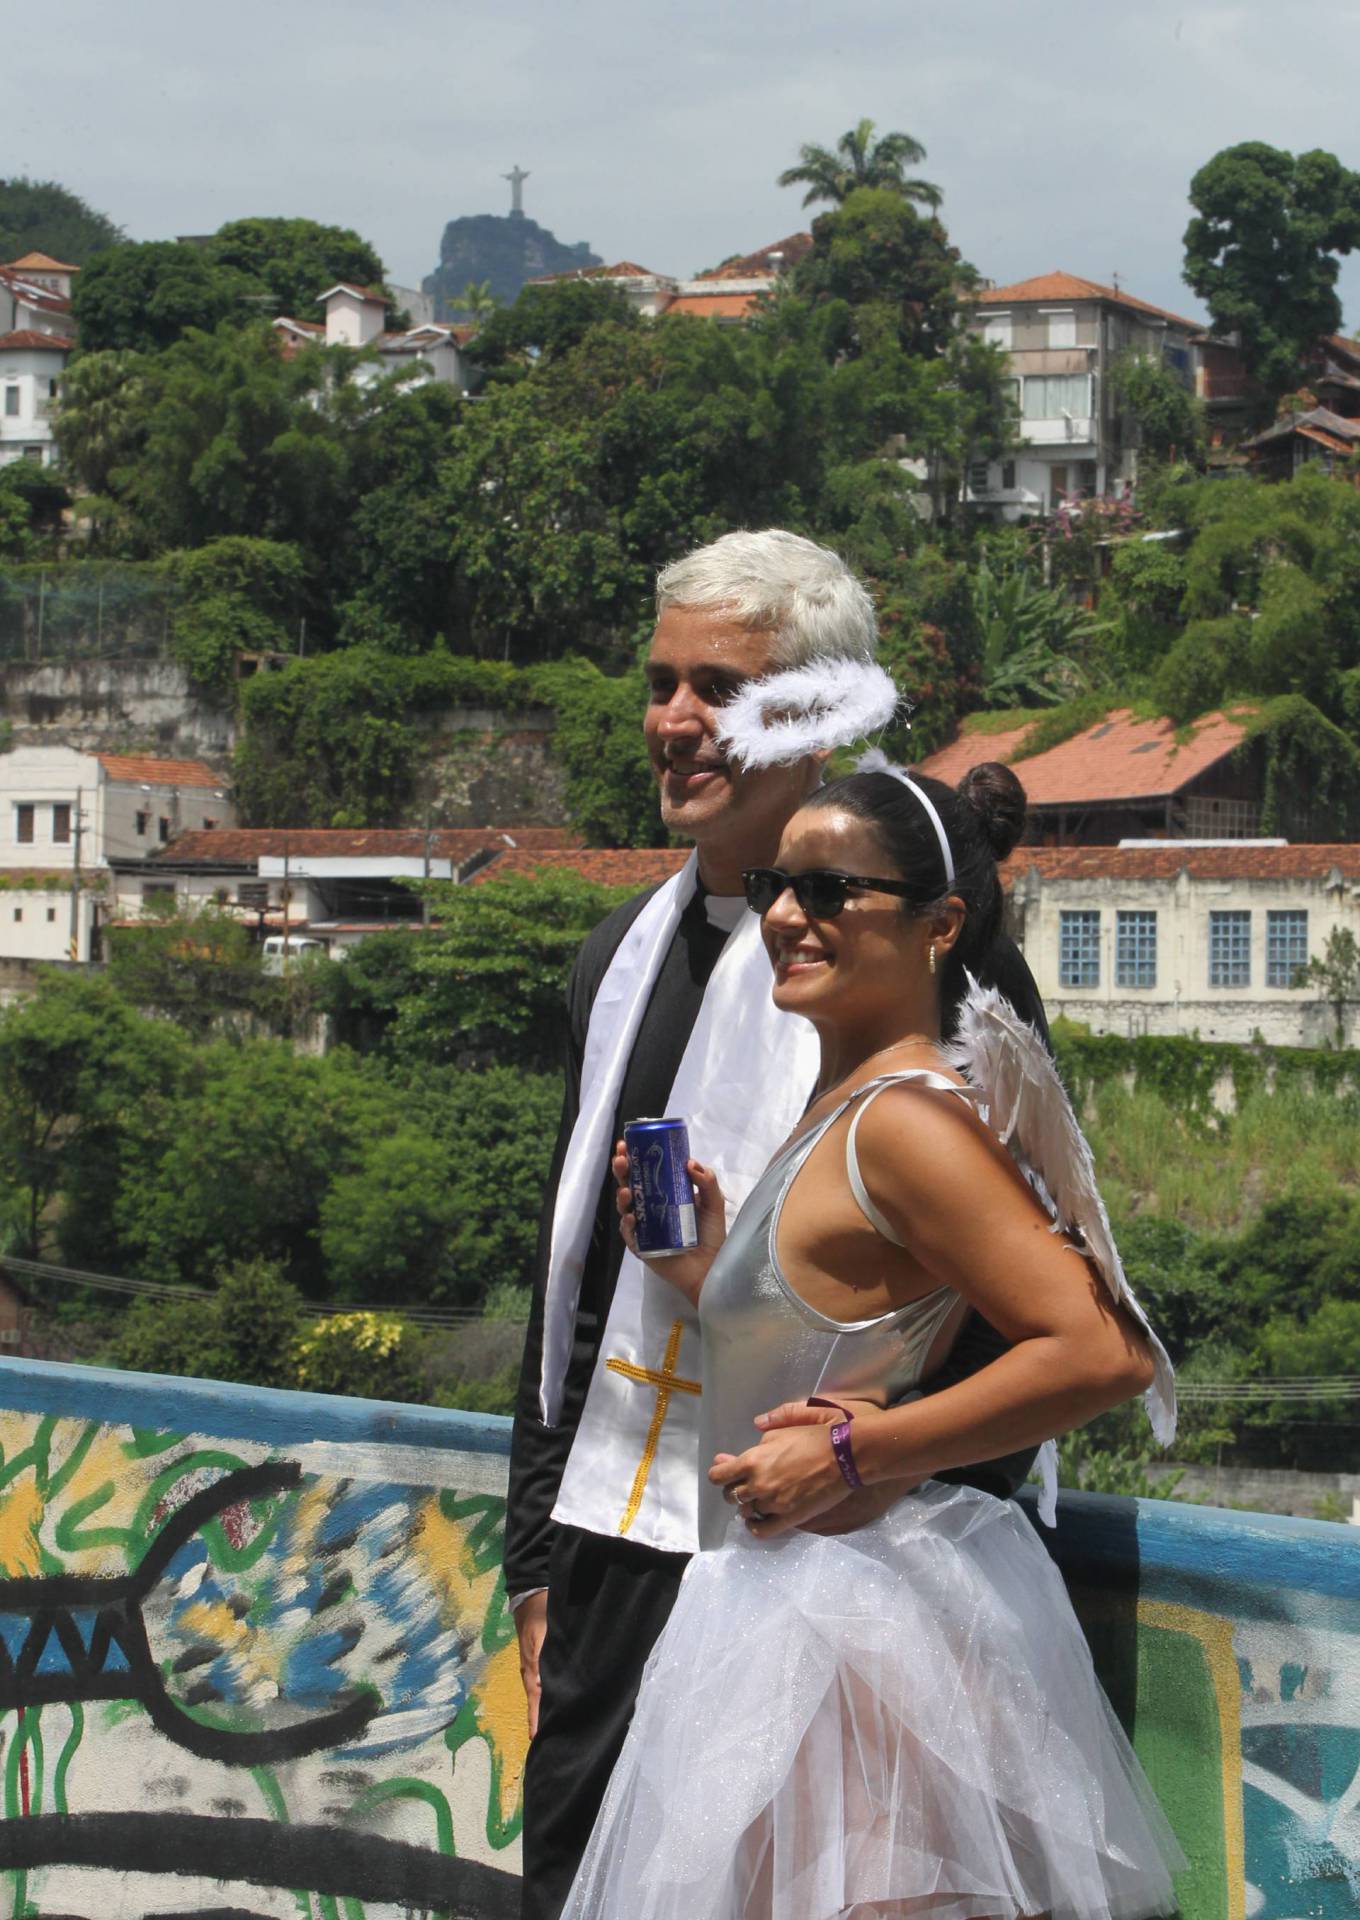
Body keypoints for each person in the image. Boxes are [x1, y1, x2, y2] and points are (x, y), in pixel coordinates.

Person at [506, 531, 1049, 1920]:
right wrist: (532, 1563)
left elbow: (1017, 1321)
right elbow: (570, 1284)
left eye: (720, 689)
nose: (674, 722)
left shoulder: (929, 971)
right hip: (617, 1555)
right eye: (661, 683)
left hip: (817, 1584)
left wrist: (880, 1508)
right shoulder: (618, 956)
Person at [563, 761, 1182, 1920]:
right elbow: (825, 1342)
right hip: (785, 1605)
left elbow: (1102, 1353)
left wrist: (860, 1451)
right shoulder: (844, 1103)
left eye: (830, 889)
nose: (788, 915)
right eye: (776, 884)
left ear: (938, 925)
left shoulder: (905, 1121)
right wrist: (699, 1263)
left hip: (850, 1632)